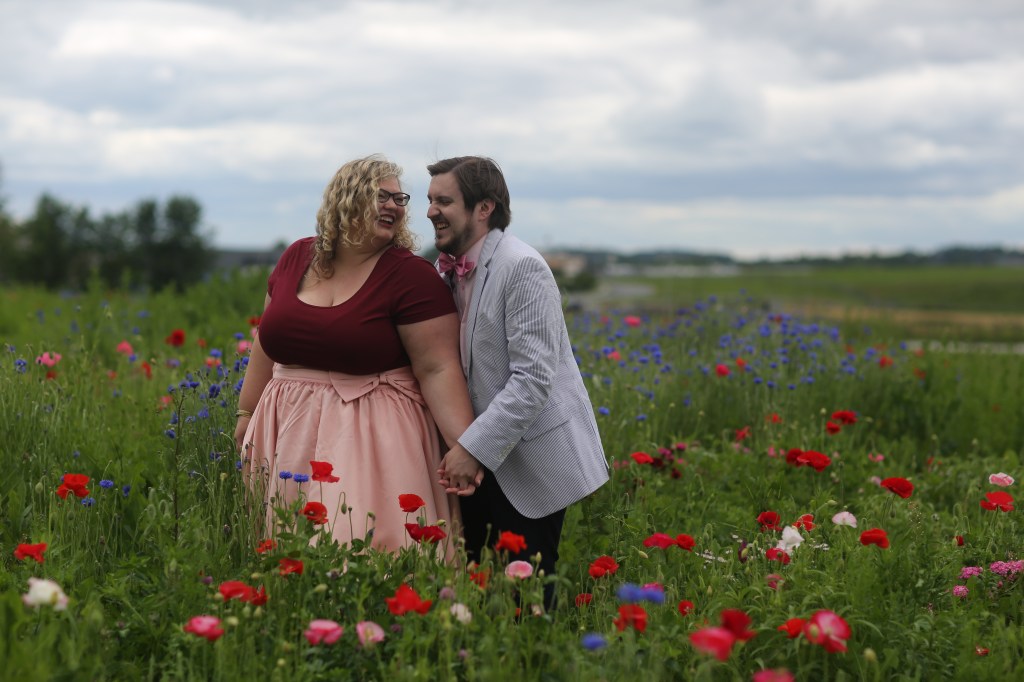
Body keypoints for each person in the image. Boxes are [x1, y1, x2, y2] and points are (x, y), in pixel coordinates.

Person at [234, 155, 476, 555]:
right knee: (284, 547)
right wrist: (246, 414)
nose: (394, 206)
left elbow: (438, 368)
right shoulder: (296, 257)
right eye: (382, 196)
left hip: (370, 435)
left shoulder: (411, 276)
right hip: (285, 428)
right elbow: (266, 342)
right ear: (345, 198)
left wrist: (466, 447)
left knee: (358, 546)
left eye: (400, 199)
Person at [427, 156, 609, 606]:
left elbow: (533, 380)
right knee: (476, 595)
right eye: (430, 200)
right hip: (473, 461)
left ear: (484, 207)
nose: (431, 211)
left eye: (444, 201)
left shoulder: (522, 266)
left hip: (528, 461)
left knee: (526, 604)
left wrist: (472, 449)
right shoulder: (443, 270)